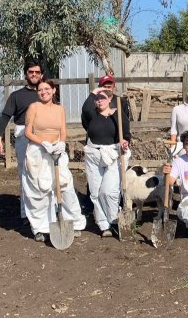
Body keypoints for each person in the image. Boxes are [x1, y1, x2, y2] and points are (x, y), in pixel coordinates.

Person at [23, 78, 86, 242]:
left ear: (53, 90)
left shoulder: (60, 109)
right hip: (39, 152)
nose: (43, 92)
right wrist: (42, 143)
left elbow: (63, 131)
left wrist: (61, 144)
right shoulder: (34, 107)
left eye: (46, 89)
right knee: (39, 190)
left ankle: (74, 222)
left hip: (56, 151)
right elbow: (28, 132)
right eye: (40, 90)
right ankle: (39, 227)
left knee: (65, 187)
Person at [0, 60, 43, 224]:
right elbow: (6, 116)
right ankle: (26, 214)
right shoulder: (16, 96)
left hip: (43, 136)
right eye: (31, 72)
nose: (34, 75)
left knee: (45, 174)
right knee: (25, 174)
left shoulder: (45, 93)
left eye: (36, 72)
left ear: (41, 75)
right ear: (26, 74)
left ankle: (46, 211)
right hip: (23, 136)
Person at [81, 87, 131, 238]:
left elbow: (127, 134)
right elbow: (85, 108)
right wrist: (95, 91)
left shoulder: (118, 114)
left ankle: (114, 220)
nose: (100, 100)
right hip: (93, 154)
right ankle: (104, 225)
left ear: (110, 99)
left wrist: (125, 142)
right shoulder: (91, 115)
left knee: (109, 191)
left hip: (113, 154)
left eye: (103, 98)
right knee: (95, 193)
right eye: (97, 98)